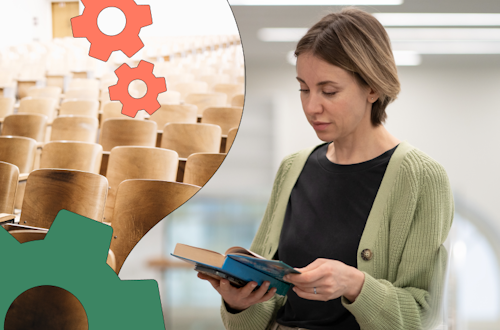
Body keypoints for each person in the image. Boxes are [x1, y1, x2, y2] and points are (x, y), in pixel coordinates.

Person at [198, 7, 454, 330]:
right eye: (303, 88)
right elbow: (263, 313)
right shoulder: (293, 169)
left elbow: (423, 316)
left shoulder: (422, 179)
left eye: (329, 91)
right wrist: (239, 304)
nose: (311, 106)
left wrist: (355, 284)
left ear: (373, 88)